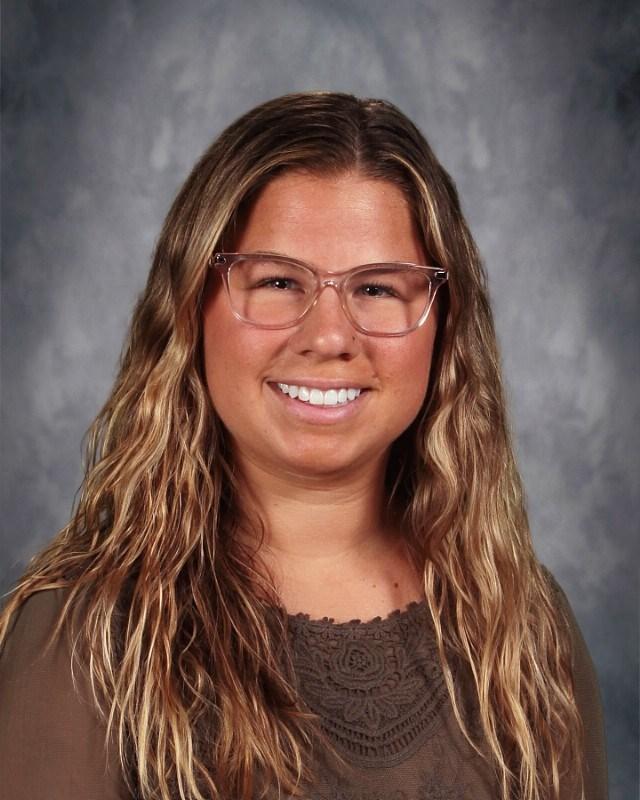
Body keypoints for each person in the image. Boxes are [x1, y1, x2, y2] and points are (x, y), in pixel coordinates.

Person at [0, 92, 607, 800]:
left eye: (377, 288)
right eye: (280, 282)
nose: (329, 336)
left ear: (446, 330)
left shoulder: (524, 626)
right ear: (192, 307)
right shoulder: (85, 637)